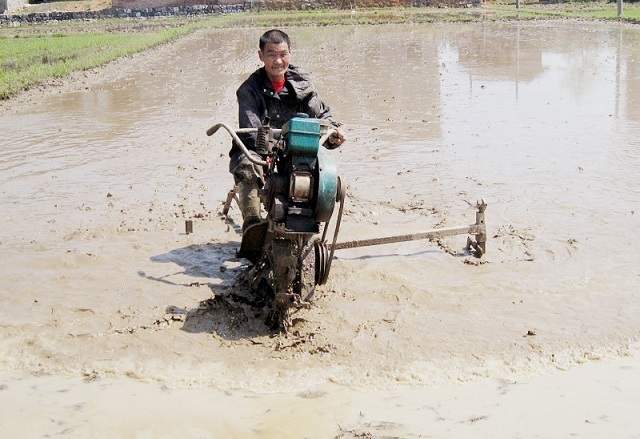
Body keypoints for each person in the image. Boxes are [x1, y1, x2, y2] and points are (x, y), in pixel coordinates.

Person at [230, 29, 345, 231]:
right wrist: (267, 152)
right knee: (249, 165)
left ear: (290, 54)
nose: (278, 61)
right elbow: (250, 131)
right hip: (259, 148)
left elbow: (322, 116)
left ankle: (311, 217)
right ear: (261, 56)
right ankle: (253, 225)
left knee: (318, 168)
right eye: (271, 54)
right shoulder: (249, 90)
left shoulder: (302, 84)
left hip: (294, 147)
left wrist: (333, 133)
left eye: (283, 54)